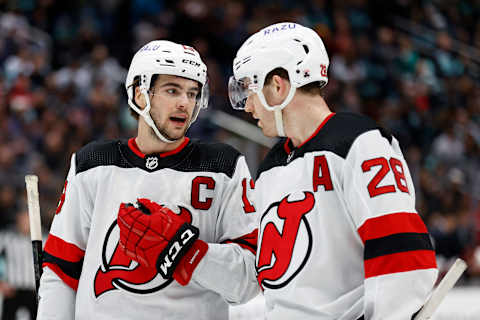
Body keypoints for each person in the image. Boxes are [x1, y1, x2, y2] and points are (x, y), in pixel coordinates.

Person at [228, 22, 438, 320]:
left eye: (249, 89)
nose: (247, 106)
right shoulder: (269, 169)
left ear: (278, 86)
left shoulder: (360, 143)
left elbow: (402, 252)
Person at [37, 40, 260, 320]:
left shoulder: (223, 166)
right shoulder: (92, 164)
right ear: (140, 94)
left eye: (193, 93)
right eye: (172, 90)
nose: (185, 103)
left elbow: (250, 280)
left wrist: (186, 251)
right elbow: (61, 269)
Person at [0, 209, 38, 320]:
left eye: (27, 219)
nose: (24, 222)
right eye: (22, 218)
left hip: (33, 291)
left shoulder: (42, 239)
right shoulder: (7, 237)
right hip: (13, 290)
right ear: (17, 219)